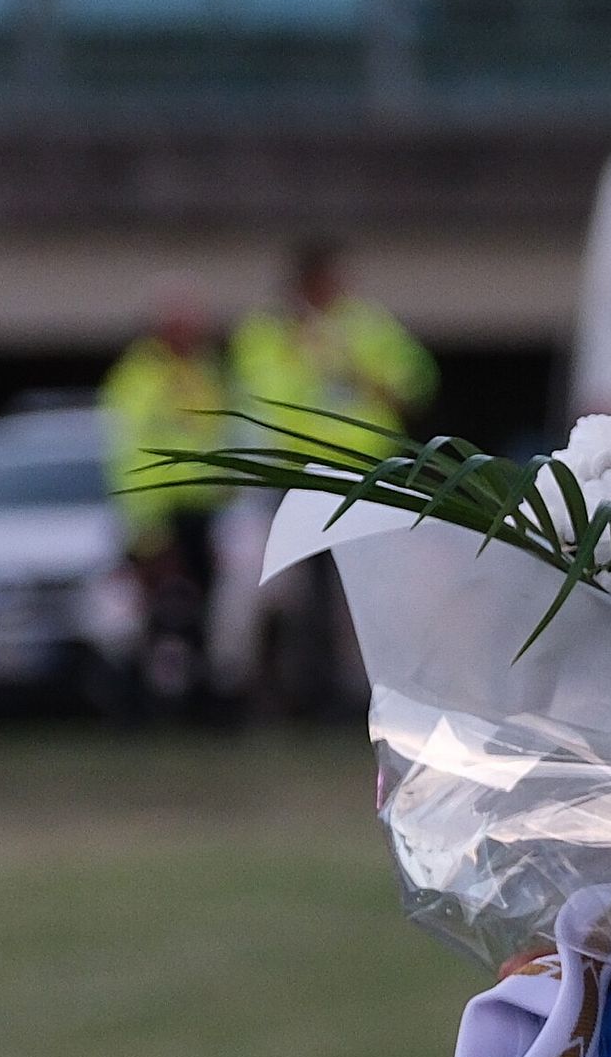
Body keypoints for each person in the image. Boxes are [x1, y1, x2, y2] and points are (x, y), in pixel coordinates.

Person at [230, 237, 433, 720]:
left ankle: (363, 691)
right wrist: (309, 357)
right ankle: (304, 692)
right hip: (300, 477)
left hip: (366, 474)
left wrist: (351, 365)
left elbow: (415, 383)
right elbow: (265, 399)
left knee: (367, 587)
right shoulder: (268, 333)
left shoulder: (366, 325)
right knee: (296, 594)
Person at [100, 277, 232, 721]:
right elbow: (128, 453)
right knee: (158, 615)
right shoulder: (139, 377)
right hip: (160, 514)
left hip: (203, 511)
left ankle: (194, 701)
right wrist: (147, 528)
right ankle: (144, 705)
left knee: (200, 614)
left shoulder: (205, 372)